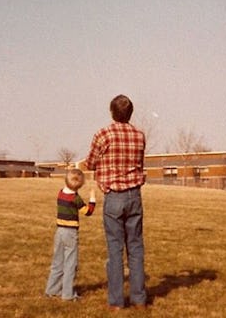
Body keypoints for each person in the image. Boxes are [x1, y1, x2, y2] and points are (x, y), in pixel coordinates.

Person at [85, 94, 147, 310]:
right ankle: (139, 300)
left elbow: (90, 162)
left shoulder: (103, 134)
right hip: (134, 196)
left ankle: (116, 302)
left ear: (112, 112)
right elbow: (139, 163)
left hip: (113, 196)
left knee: (114, 249)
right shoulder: (139, 135)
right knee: (136, 248)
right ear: (130, 113)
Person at [44, 168, 96, 301]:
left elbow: (70, 186)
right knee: (70, 263)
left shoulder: (60, 193)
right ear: (80, 184)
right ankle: (67, 294)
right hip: (71, 233)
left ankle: (52, 290)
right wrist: (92, 198)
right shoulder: (76, 199)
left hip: (59, 232)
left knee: (57, 262)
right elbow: (88, 212)